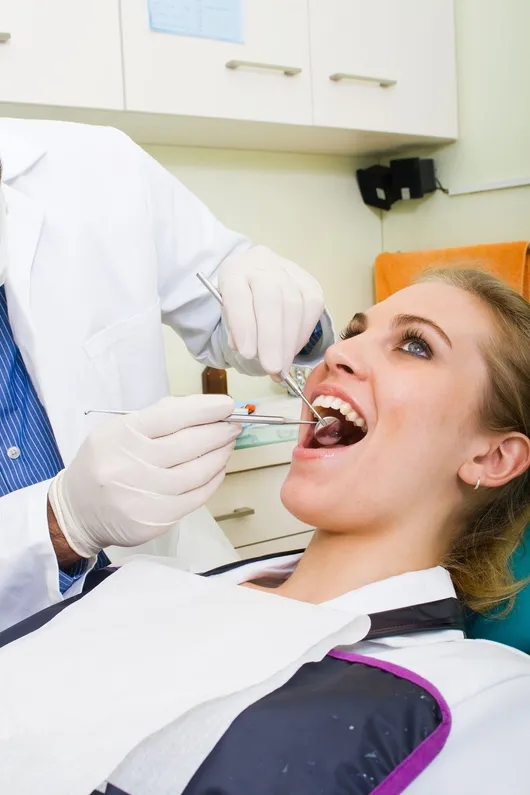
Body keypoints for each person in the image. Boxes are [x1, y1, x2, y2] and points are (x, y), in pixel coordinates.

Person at [0, 267, 529, 794]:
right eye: (353, 333)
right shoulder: (150, 583)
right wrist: (63, 521)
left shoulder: (469, 697)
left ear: (494, 456)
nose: (335, 355)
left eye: (415, 346)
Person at [0, 117, 333, 630]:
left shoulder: (98, 166)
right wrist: (57, 523)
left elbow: (228, 315)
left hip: (168, 588)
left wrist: (290, 319)